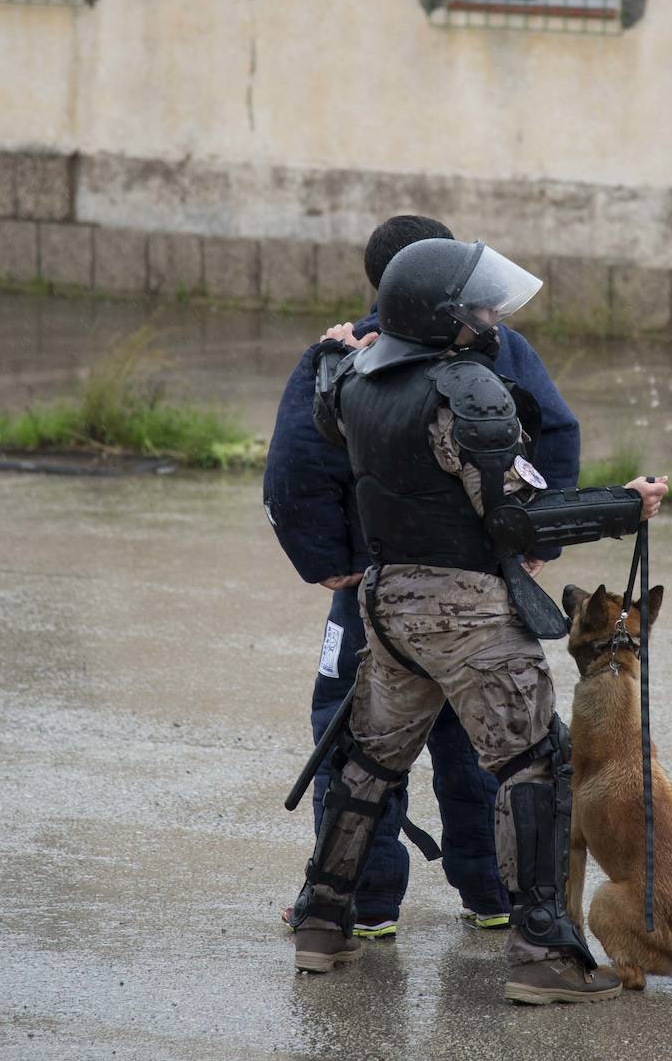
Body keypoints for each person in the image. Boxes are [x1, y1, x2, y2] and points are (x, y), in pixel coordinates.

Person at [287, 237, 668, 1003]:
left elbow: (326, 396)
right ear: (445, 316)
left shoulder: (355, 375)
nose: (493, 317)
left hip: (386, 604)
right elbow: (518, 522)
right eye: (481, 305)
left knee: (366, 766)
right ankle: (545, 958)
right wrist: (627, 505)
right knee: (536, 768)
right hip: (468, 616)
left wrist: (333, 349)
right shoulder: (467, 390)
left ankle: (321, 925)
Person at [264, 215, 583, 936]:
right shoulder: (493, 347)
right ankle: (497, 897)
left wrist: (332, 564)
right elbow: (556, 436)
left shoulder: (342, 357)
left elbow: (293, 472)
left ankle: (359, 905)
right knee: (490, 742)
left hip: (375, 591)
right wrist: (532, 548)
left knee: (360, 751)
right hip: (476, 589)